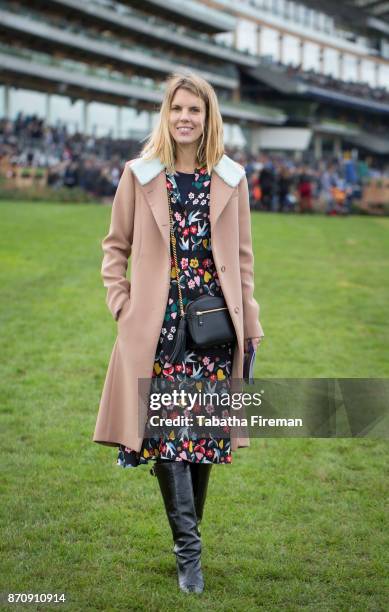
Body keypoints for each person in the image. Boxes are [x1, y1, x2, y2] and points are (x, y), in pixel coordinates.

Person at [92, 71, 264, 594]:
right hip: (158, 328)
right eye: (177, 109)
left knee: (202, 438)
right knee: (170, 434)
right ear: (165, 116)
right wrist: (123, 306)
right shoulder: (140, 174)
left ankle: (187, 538)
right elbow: (113, 248)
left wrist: (249, 322)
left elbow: (243, 259)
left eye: (195, 110)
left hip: (214, 327)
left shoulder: (231, 178)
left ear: (209, 118)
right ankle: (190, 553)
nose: (185, 118)